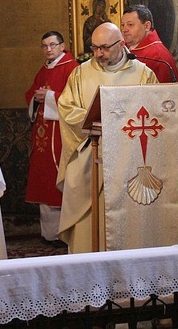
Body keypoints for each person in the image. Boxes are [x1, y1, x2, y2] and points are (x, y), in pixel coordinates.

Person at [57, 22, 158, 253]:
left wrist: (120, 125)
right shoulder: (80, 74)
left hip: (130, 159)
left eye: (104, 48)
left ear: (121, 44)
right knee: (87, 232)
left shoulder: (143, 73)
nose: (98, 54)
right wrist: (97, 122)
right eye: (94, 48)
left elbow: (154, 115)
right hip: (91, 153)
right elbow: (67, 109)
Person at [24, 31, 78, 245]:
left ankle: (62, 233)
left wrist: (48, 97)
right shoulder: (44, 69)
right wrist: (37, 99)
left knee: (57, 179)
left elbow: (74, 100)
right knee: (44, 180)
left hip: (60, 134)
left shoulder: (72, 68)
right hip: (43, 134)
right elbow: (30, 94)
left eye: (52, 45)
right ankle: (48, 233)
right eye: (44, 46)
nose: (48, 49)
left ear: (62, 46)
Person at [121, 4, 178, 82]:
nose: (124, 29)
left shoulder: (158, 56)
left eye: (130, 25)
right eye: (122, 25)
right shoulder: (124, 49)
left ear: (147, 26)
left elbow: (160, 91)